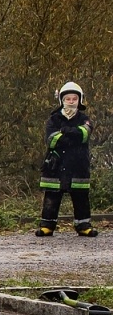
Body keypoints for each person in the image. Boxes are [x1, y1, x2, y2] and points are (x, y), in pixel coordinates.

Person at [38, 81, 97, 237]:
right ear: (62, 100)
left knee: (81, 197)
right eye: (68, 99)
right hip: (55, 165)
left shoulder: (84, 118)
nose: (71, 101)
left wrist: (65, 132)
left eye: (74, 99)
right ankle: (47, 225)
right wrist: (73, 135)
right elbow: (51, 139)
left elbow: (85, 134)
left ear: (80, 100)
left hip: (78, 164)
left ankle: (83, 225)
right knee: (52, 196)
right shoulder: (54, 119)